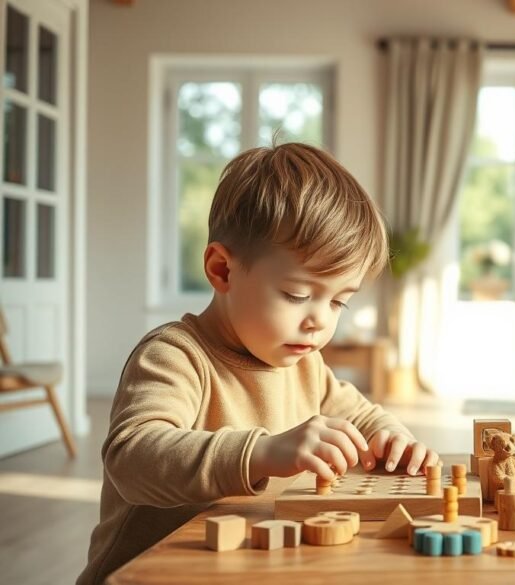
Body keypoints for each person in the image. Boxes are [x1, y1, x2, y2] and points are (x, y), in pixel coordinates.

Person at [78, 142, 438, 584]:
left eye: (339, 302)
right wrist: (262, 453)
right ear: (222, 270)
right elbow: (132, 459)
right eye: (298, 296)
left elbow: (362, 415)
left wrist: (394, 440)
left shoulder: (304, 364)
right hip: (148, 574)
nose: (319, 321)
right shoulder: (174, 356)